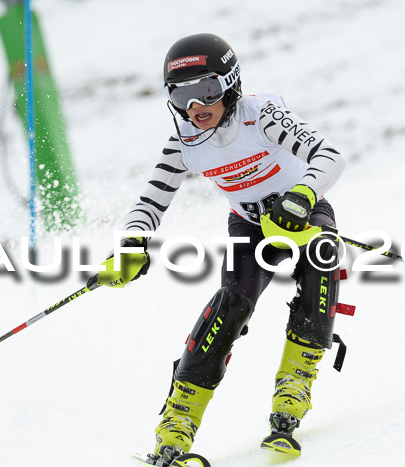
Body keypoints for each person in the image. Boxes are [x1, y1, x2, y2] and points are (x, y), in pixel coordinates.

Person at [116, 33, 347, 465]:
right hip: (248, 225)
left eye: (205, 90)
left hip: (299, 211)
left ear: (230, 83)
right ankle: (177, 423)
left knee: (323, 259)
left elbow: (330, 156)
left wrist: (299, 197)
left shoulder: (261, 115)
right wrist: (132, 243)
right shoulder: (184, 141)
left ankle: (293, 390)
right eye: (180, 95)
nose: (194, 106)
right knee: (231, 304)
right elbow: (150, 202)